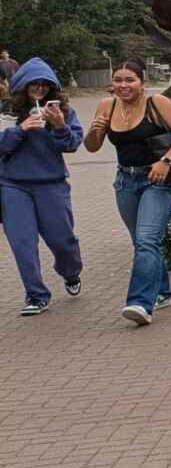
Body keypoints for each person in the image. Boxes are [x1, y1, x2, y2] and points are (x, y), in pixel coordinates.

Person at [84, 60, 171, 326]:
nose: (123, 86)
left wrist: (166, 161)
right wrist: (96, 130)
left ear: (141, 82)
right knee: (142, 242)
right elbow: (91, 147)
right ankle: (163, 291)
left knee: (147, 240)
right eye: (118, 80)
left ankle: (140, 303)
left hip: (157, 179)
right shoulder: (107, 105)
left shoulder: (157, 103)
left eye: (129, 80)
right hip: (126, 181)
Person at [2, 58, 84, 316]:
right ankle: (36, 295)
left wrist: (59, 126)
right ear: (22, 85)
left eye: (44, 84)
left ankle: (71, 272)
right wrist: (21, 129)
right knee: (22, 242)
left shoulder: (64, 112)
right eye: (33, 83)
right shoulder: (7, 112)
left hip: (51, 184)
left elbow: (71, 144)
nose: (39, 88)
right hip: (12, 184)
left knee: (63, 240)